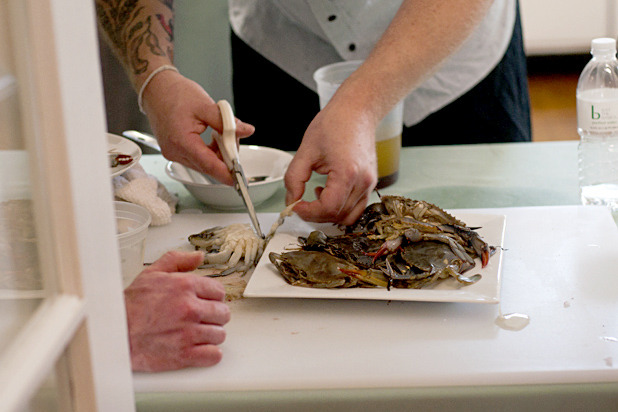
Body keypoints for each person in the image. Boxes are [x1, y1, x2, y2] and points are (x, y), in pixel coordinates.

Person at [96, 0, 530, 371]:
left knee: (474, 354)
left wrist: (361, 105)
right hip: (286, 48)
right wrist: (154, 77)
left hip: (448, 51)